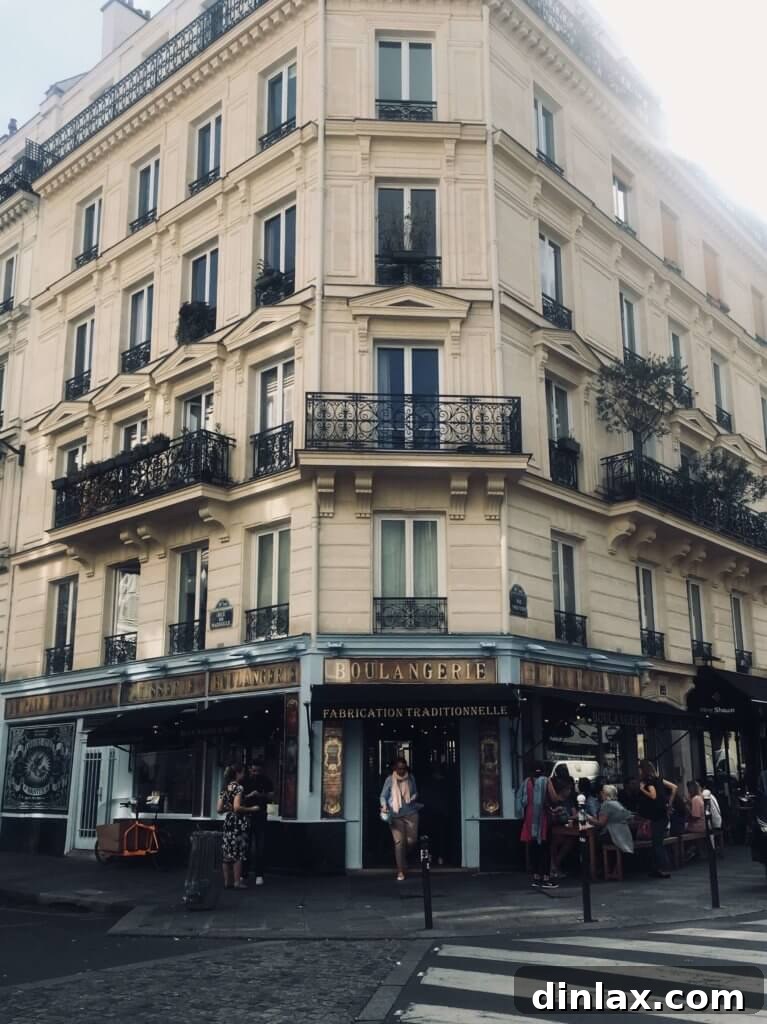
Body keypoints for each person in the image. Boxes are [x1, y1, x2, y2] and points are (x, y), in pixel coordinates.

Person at [380, 758, 420, 881]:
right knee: (399, 843)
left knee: (411, 841)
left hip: (411, 813)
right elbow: (383, 795)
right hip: (395, 814)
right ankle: (400, 871)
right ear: (395, 769)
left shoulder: (411, 778)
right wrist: (384, 805)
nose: (401, 771)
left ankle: (403, 858)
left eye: (403, 768)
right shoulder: (389, 780)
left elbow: (416, 792)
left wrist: (413, 797)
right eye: (399, 768)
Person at [517, 763, 555, 890]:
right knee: (545, 847)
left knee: (533, 847)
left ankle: (536, 877)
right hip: (542, 817)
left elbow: (521, 800)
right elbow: (554, 797)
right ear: (544, 771)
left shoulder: (526, 782)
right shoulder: (546, 781)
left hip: (529, 816)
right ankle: (546, 878)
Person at [638, 759, 677, 878]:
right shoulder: (658, 779)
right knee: (657, 842)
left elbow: (653, 795)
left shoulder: (648, 782)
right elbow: (674, 787)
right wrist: (669, 803)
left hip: (656, 816)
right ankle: (658, 868)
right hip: (663, 814)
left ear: (643, 770)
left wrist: (642, 789)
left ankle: (663, 868)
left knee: (657, 843)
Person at [241, 759, 275, 885]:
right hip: (247, 815)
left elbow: (272, 796)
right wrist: (250, 795)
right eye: (254, 770)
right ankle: (244, 874)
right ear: (250, 769)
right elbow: (239, 799)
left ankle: (259, 874)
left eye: (258, 771)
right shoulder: (244, 781)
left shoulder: (266, 781)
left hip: (261, 816)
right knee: (246, 846)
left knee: (260, 846)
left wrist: (260, 795)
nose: (256, 773)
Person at [217, 764, 249, 889]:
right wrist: (251, 808)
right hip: (238, 822)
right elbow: (237, 807)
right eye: (243, 773)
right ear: (237, 773)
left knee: (227, 851)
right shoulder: (239, 788)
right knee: (238, 852)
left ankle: (227, 882)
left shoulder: (224, 789)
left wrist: (227, 808)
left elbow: (219, 809)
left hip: (228, 821)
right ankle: (237, 882)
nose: (244, 775)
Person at [588, 783, 634, 854]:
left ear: (606, 794)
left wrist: (587, 817)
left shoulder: (606, 804)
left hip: (613, 834)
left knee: (591, 840)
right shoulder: (617, 803)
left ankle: (596, 863)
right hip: (624, 834)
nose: (600, 793)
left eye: (602, 792)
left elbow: (601, 823)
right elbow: (629, 816)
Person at [548, 766, 576, 880]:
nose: (570, 791)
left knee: (571, 840)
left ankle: (555, 865)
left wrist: (572, 816)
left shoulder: (569, 801)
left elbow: (574, 813)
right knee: (556, 840)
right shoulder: (555, 801)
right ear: (562, 790)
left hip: (568, 829)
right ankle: (553, 867)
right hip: (555, 828)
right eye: (568, 789)